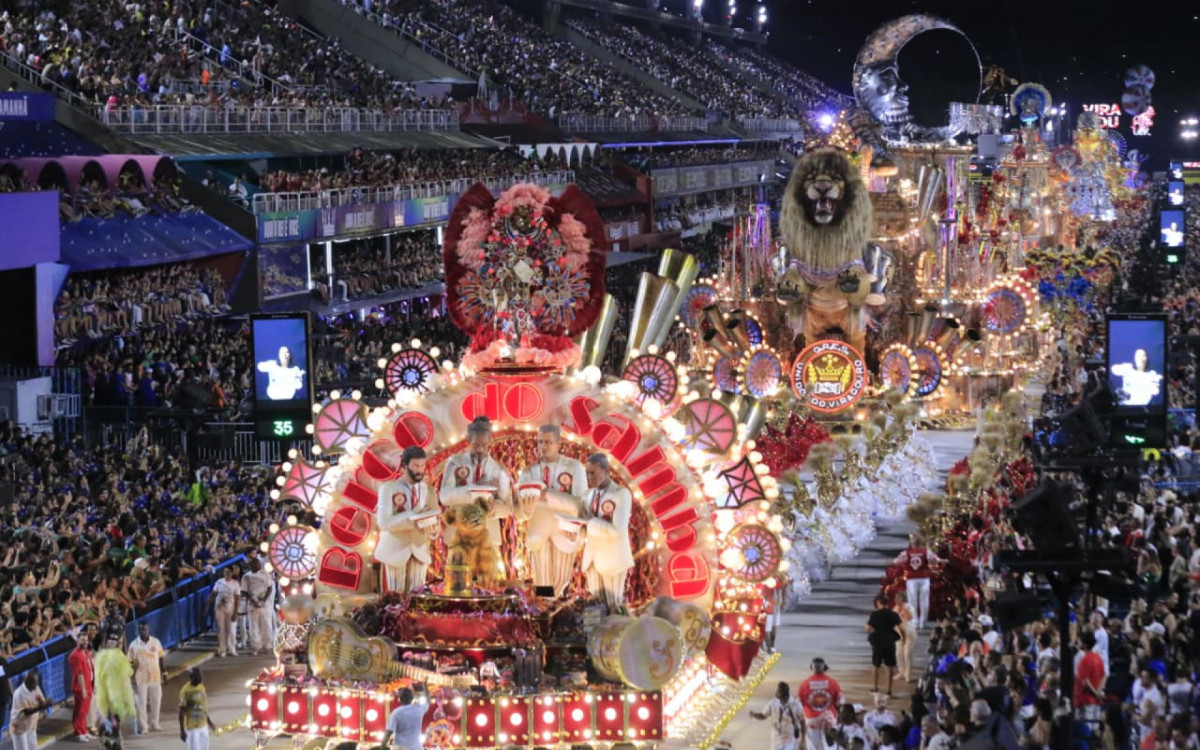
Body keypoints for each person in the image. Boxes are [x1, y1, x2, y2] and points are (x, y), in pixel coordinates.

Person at [516, 425, 587, 596]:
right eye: (540, 442)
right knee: (543, 588)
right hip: (538, 534)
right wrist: (526, 510)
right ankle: (544, 617)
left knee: (561, 584)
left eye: (548, 442)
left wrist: (547, 495)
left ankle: (557, 616)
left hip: (564, 532)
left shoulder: (574, 467)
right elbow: (518, 512)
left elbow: (580, 504)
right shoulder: (528, 472)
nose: (543, 447)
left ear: (558, 443)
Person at [440, 417, 514, 565]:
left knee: (488, 586)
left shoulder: (499, 470)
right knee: (456, 584)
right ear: (468, 441)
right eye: (475, 445)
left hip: (488, 539)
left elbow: (507, 507)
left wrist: (494, 508)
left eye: (484, 445)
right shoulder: (455, 463)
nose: (480, 449)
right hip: (459, 537)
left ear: (490, 441)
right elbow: (444, 496)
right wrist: (472, 493)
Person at [376, 446, 437, 593]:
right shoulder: (389, 488)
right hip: (395, 550)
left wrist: (433, 530)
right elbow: (384, 523)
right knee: (396, 599)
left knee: (416, 599)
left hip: (419, 549)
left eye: (422, 465)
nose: (420, 470)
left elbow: (436, 518)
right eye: (416, 466)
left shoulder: (429, 491)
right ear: (404, 466)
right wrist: (413, 516)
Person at [580, 453, 635, 607]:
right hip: (592, 559)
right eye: (587, 473)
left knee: (613, 608)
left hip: (613, 560)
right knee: (595, 609)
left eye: (593, 473)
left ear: (606, 471)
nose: (589, 477)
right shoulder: (589, 495)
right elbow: (585, 525)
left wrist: (590, 522)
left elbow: (618, 530)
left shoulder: (621, 494)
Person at [894, 536, 940, 628]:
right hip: (924, 578)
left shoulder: (907, 553)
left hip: (912, 579)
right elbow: (935, 560)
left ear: (912, 543)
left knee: (912, 600)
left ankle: (914, 621)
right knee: (924, 600)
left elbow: (897, 561)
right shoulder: (926, 551)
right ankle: (923, 622)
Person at [797, 657, 842, 750]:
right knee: (831, 747)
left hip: (812, 722)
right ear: (824, 667)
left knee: (814, 747)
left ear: (811, 667)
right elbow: (840, 703)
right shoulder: (832, 682)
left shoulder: (804, 684)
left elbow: (798, 706)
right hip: (830, 721)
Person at [128, 623, 166, 732]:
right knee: (141, 703)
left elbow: (161, 658)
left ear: (149, 629)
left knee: (156, 700)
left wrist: (165, 673)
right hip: (141, 678)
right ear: (138, 631)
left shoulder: (156, 642)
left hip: (155, 677)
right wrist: (131, 674)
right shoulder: (133, 645)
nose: (143, 631)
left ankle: (155, 723)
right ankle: (143, 726)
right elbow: (129, 662)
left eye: (145, 629)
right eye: (141, 630)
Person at [750, 681, 805, 750]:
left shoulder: (796, 704)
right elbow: (763, 715)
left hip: (791, 737)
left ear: (786, 695)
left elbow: (803, 722)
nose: (780, 699)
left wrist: (803, 740)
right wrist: (754, 715)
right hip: (777, 738)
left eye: (781, 697)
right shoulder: (773, 703)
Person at [866, 595, 901, 696]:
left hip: (877, 642)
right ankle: (888, 690)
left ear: (878, 603)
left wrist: (872, 630)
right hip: (890, 642)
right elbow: (900, 628)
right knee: (889, 667)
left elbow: (868, 628)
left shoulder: (874, 614)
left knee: (875, 666)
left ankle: (875, 688)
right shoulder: (894, 614)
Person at [9, 672, 51, 750]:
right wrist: (42, 707)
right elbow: (27, 712)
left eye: (37, 682)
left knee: (33, 747)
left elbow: (41, 701)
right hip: (19, 728)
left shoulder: (36, 688)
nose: (36, 685)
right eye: (34, 682)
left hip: (31, 726)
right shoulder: (19, 693)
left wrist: (47, 703)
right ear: (28, 682)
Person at [240, 559, 274, 655]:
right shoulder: (246, 576)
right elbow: (243, 591)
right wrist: (251, 599)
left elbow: (270, 588)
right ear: (251, 565)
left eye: (258, 564)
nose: (258, 566)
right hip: (252, 605)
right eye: (255, 564)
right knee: (253, 627)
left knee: (266, 625)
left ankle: (267, 645)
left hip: (264, 605)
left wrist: (264, 600)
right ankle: (256, 647)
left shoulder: (265, 574)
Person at [178, 668, 215, 750]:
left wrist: (209, 722)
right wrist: (182, 730)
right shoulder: (185, 691)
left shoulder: (201, 687)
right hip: (192, 728)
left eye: (200, 678)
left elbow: (204, 706)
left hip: (203, 725)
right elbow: (181, 711)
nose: (200, 680)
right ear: (191, 678)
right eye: (197, 678)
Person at [70, 629, 96, 741]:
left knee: (85, 710)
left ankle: (84, 730)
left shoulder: (87, 653)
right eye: (82, 640)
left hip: (89, 685)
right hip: (81, 687)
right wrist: (83, 689)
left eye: (86, 640)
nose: (85, 642)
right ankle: (79, 732)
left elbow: (91, 669)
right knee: (80, 710)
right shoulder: (75, 655)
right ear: (77, 640)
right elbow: (79, 673)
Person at [210, 566, 240, 657]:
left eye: (228, 572)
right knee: (221, 629)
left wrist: (235, 612)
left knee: (230, 629)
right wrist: (207, 604)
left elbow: (237, 598)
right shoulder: (219, 582)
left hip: (230, 608)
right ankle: (223, 649)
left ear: (232, 573)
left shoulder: (235, 584)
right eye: (225, 572)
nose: (226, 574)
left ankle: (231, 649)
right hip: (219, 608)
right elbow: (214, 594)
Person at [893, 592, 916, 682]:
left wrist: (903, 608)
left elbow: (909, 617)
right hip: (899, 633)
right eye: (896, 598)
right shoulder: (895, 608)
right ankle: (901, 671)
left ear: (903, 599)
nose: (896, 600)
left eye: (898, 598)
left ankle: (908, 674)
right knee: (898, 653)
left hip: (909, 633)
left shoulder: (909, 607)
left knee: (907, 653)